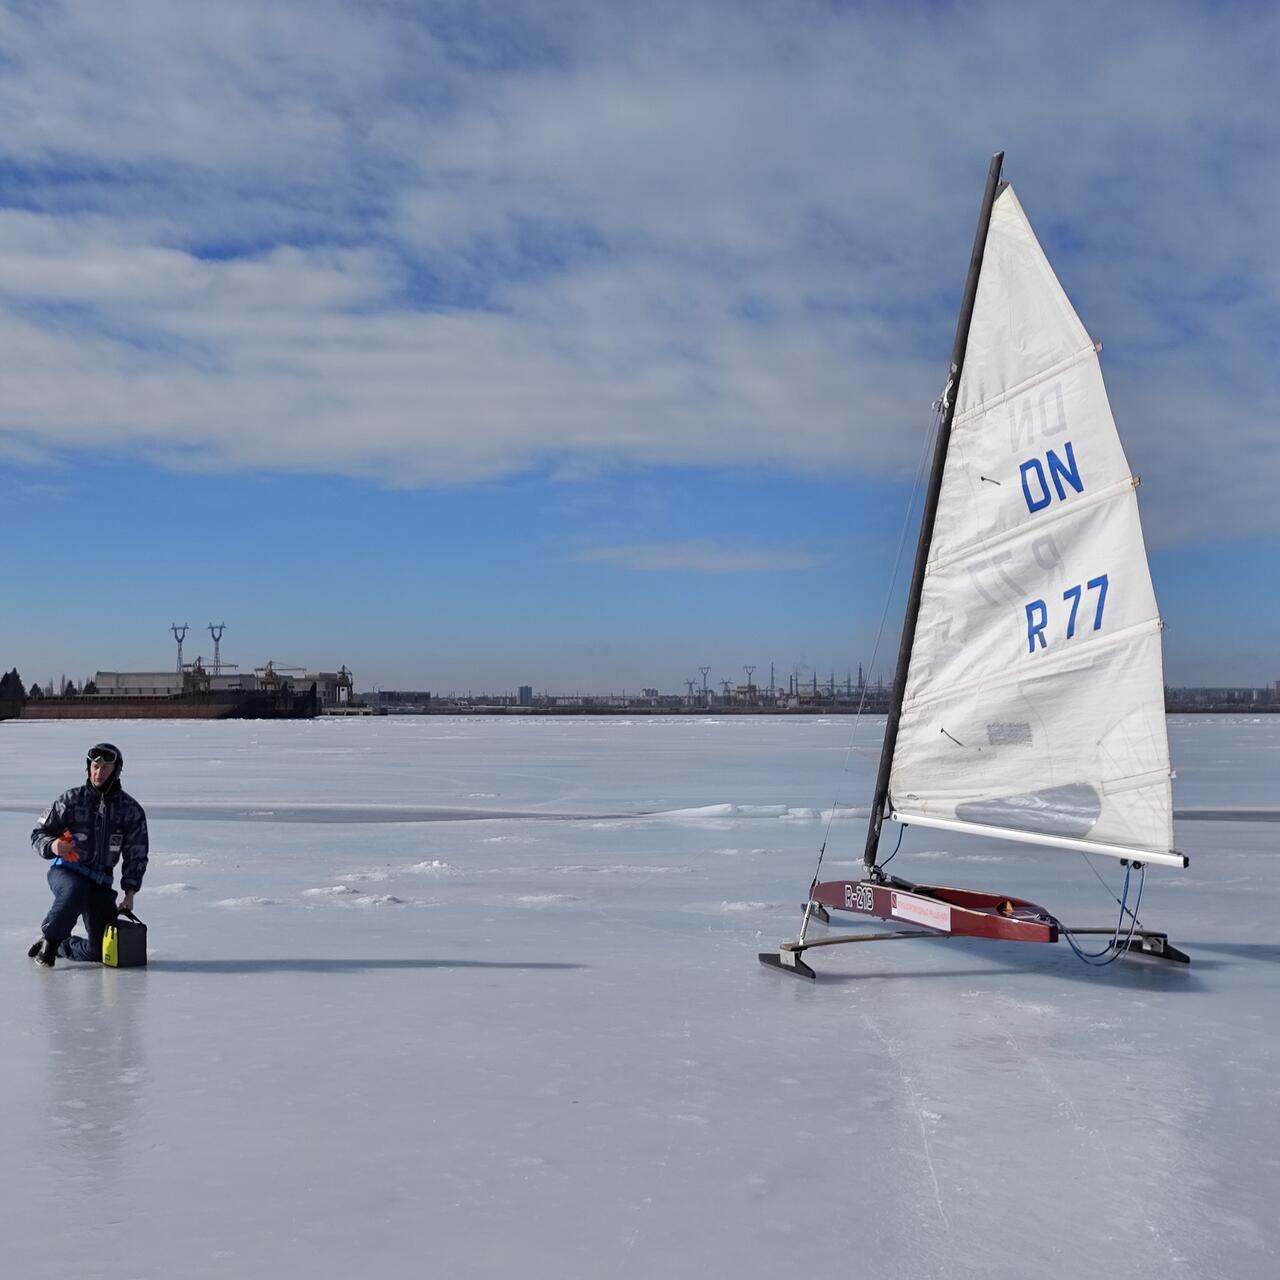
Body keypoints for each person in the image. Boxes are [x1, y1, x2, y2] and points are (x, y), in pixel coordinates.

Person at [28, 742, 148, 967]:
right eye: (95, 766)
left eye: (105, 768)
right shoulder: (70, 800)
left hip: (100, 881)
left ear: (116, 771)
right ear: (88, 768)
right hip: (66, 871)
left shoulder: (130, 810)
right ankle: (50, 942)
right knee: (75, 890)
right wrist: (53, 846)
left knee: (99, 950)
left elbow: (137, 854)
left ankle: (62, 945)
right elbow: (38, 834)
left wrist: (130, 892)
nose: (98, 772)